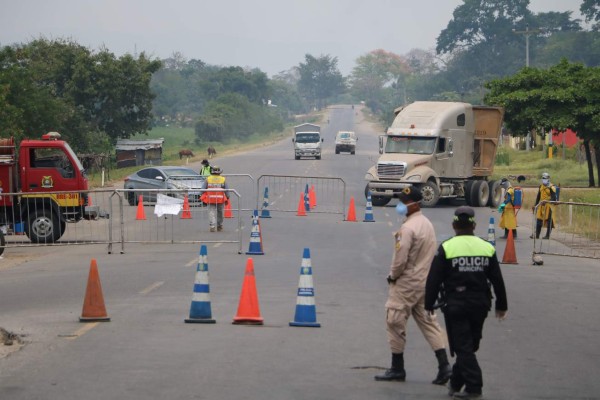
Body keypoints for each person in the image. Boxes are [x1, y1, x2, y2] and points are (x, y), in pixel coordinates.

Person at [425, 206, 508, 400]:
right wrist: (502, 305)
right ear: (475, 226)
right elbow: (497, 279)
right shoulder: (486, 247)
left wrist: (428, 305)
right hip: (480, 305)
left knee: (464, 347)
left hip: (456, 305)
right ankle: (455, 382)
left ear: (454, 225)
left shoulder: (447, 247)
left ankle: (474, 387)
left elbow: (434, 279)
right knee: (470, 345)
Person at [375, 186, 452, 386]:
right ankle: (444, 366)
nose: (400, 205)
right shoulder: (426, 224)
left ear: (416, 204)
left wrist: (393, 276)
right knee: (429, 323)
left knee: (394, 321)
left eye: (404, 202)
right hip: (425, 282)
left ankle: (397, 368)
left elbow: (400, 260)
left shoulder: (408, 228)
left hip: (406, 283)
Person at [200, 166, 229, 232]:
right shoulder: (223, 179)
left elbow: (202, 189)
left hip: (210, 199)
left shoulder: (208, 179)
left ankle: (212, 226)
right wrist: (227, 197)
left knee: (211, 212)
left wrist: (201, 195)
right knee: (220, 212)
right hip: (220, 199)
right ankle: (219, 226)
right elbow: (227, 190)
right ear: (219, 172)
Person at [530, 172, 557, 239]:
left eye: (545, 178)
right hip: (541, 205)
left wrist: (548, 201)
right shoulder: (541, 186)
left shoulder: (551, 187)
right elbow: (538, 197)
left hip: (549, 206)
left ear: (548, 179)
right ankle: (537, 235)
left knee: (549, 220)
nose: (543, 179)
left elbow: (554, 197)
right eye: (543, 178)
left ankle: (547, 235)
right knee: (539, 220)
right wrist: (535, 205)